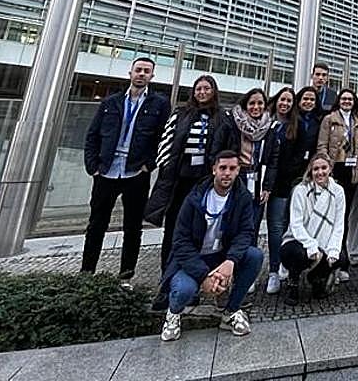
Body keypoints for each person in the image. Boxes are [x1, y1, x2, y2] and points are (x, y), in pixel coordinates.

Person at [82, 56, 170, 283]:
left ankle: (125, 277)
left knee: (132, 228)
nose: (141, 74)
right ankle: (86, 274)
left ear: (152, 76)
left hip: (135, 173)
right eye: (138, 70)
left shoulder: (159, 104)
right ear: (130, 73)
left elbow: (162, 139)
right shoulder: (110, 102)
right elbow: (92, 135)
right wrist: (93, 167)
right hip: (107, 171)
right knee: (96, 225)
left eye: (146, 71)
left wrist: (148, 165)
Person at [159, 150, 262, 342]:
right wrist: (203, 276)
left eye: (232, 168)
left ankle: (230, 311)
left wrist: (230, 261)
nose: (227, 173)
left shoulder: (243, 198)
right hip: (193, 259)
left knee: (254, 256)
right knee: (184, 290)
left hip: (221, 256)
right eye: (223, 168)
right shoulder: (194, 198)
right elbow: (180, 242)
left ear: (238, 170)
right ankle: (173, 314)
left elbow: (245, 232)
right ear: (214, 169)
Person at [147, 74, 223, 271]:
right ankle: (167, 269)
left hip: (204, 180)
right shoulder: (181, 114)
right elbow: (167, 141)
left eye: (206, 88)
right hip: (179, 178)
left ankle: (193, 270)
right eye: (199, 89)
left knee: (198, 226)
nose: (202, 92)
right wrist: (164, 167)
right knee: (173, 225)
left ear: (213, 91)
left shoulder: (221, 117)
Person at [280, 154, 346, 306]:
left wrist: (333, 249)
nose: (320, 172)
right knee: (298, 253)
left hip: (325, 240)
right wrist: (311, 245)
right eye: (316, 169)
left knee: (340, 257)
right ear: (310, 171)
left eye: (324, 168)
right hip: (298, 240)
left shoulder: (338, 191)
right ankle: (293, 283)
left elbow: (338, 225)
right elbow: (295, 224)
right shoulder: (300, 190)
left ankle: (316, 277)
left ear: (330, 169)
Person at [263, 85, 310, 295]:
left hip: (282, 184)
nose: (285, 103)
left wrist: (285, 175)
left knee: (277, 226)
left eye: (289, 101)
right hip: (258, 181)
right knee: (252, 227)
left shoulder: (296, 126)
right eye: (282, 99)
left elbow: (299, 157)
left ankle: (275, 269)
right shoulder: (264, 122)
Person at [315, 87, 358, 281]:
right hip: (334, 170)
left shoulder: (357, 122)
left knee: (344, 217)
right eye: (344, 98)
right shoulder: (329, 119)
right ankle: (324, 259)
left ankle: (342, 261)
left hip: (351, 171)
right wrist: (326, 169)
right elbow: (321, 145)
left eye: (350, 99)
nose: (347, 102)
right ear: (338, 101)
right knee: (329, 216)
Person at [215, 87, 279, 228]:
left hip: (258, 178)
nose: (256, 107)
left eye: (260, 103)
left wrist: (267, 187)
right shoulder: (232, 123)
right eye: (252, 103)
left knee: (252, 223)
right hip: (235, 175)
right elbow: (217, 150)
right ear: (245, 105)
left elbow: (273, 161)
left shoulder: (269, 128)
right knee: (231, 220)